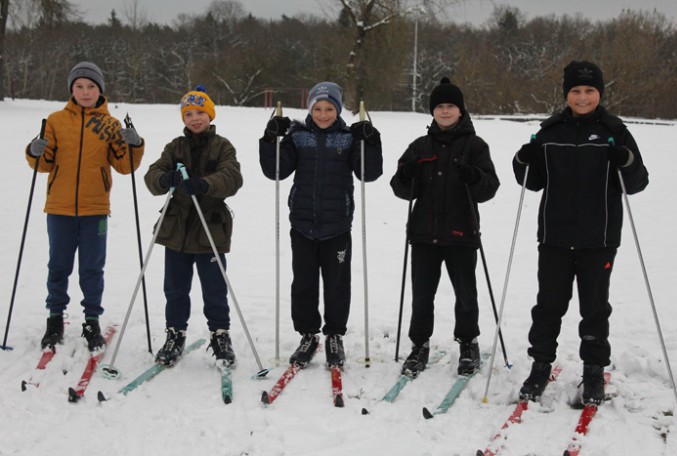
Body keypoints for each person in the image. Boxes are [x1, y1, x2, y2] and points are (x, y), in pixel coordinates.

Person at [513, 61, 649, 405]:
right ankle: (541, 365)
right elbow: (532, 181)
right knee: (548, 305)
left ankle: (592, 371)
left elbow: (637, 182)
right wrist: (523, 159)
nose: (583, 97)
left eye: (589, 91)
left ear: (599, 93)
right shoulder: (550, 131)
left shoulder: (614, 130)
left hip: (598, 239)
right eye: (576, 91)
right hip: (555, 236)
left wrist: (626, 159)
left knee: (594, 307)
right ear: (566, 94)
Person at [259, 81, 383, 369]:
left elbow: (369, 173)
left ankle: (334, 335)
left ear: (338, 110)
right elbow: (274, 171)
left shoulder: (348, 137)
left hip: (337, 225)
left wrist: (371, 141)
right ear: (310, 109)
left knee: (337, 284)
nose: (323, 114)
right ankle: (308, 334)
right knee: (303, 283)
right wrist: (270, 139)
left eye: (329, 109)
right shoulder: (298, 136)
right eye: (318, 108)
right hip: (302, 224)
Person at [25, 61, 145, 352]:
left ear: (100, 90)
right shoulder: (55, 120)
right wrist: (34, 149)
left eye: (91, 86)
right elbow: (44, 164)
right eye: (79, 86)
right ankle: (55, 318)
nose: (85, 91)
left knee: (92, 268)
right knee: (58, 266)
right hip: (59, 208)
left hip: (95, 209)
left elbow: (124, 165)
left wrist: (135, 143)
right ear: (71, 90)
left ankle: (91, 320)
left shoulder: (109, 124)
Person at [390, 77, 500, 378]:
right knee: (422, 294)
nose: (445, 111)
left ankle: (468, 343)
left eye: (451, 106)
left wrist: (474, 176)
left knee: (466, 294)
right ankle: (419, 345)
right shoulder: (420, 145)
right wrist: (406, 175)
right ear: (433, 111)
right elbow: (400, 188)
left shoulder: (475, 146)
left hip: (461, 233)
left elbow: (490, 188)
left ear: (461, 111)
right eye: (440, 106)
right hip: (424, 234)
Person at [144, 85, 243, 367]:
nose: (195, 118)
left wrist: (205, 184)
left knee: (214, 287)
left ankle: (220, 334)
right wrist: (166, 180)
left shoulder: (222, 145)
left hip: (210, 229)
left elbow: (232, 177)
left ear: (210, 115)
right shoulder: (175, 146)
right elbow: (153, 175)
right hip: (176, 230)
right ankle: (175, 333)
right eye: (189, 113)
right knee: (175, 288)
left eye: (201, 112)